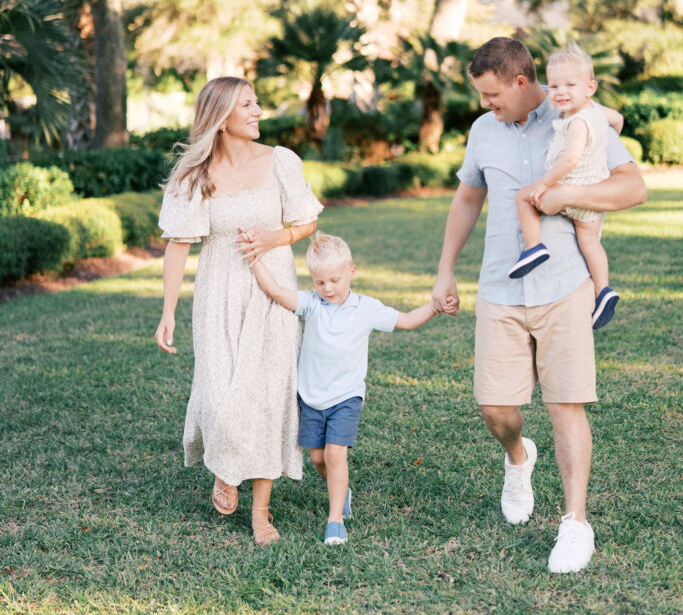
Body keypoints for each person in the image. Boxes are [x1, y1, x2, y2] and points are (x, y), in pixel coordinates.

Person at [432, 37, 646, 574]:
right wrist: (444, 269)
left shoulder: (576, 114)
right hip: (500, 289)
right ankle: (517, 456)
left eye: (491, 94)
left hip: (565, 284)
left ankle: (575, 522)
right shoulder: (482, 132)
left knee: (565, 404)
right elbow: (466, 199)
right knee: (495, 408)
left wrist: (564, 198)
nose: (485, 104)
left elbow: (633, 187)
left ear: (524, 83)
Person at [155, 76, 323, 546]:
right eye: (247, 105)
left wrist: (275, 237)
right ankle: (227, 463)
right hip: (218, 292)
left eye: (257, 103)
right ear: (221, 117)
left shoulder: (281, 161)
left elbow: (307, 220)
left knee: (268, 397)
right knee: (219, 395)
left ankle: (261, 511)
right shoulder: (197, 174)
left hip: (273, 291)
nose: (258, 112)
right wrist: (168, 311)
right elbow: (177, 246)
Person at [249, 231, 440, 546]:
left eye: (335, 280)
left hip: (346, 397)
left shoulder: (366, 308)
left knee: (335, 454)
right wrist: (255, 259)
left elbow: (405, 320)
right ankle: (343, 491)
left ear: (352, 272)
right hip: (312, 398)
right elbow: (275, 291)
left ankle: (335, 520)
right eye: (320, 282)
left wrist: (434, 308)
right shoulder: (312, 304)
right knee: (318, 459)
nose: (328, 289)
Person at [509, 43, 625, 331]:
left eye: (570, 85)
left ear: (590, 87)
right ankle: (604, 290)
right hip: (592, 197)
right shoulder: (596, 114)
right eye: (555, 85)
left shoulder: (576, 123)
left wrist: (544, 183)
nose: (560, 92)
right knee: (590, 242)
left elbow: (571, 158)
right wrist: (604, 136)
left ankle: (534, 247)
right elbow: (618, 120)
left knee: (524, 197)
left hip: (571, 191)